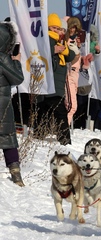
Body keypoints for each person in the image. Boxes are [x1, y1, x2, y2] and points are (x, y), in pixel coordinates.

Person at [35, 13, 76, 145]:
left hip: (54, 84)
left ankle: (38, 135)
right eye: (54, 28)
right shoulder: (48, 39)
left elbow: (71, 56)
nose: (57, 31)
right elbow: (42, 57)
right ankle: (65, 141)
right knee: (60, 113)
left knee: (44, 110)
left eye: (59, 29)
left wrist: (64, 50)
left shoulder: (59, 40)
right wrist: (53, 50)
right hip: (50, 83)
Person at [0, 21, 25, 186]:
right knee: (8, 138)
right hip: (2, 106)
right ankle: (15, 174)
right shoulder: (3, 58)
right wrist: (16, 61)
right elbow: (17, 78)